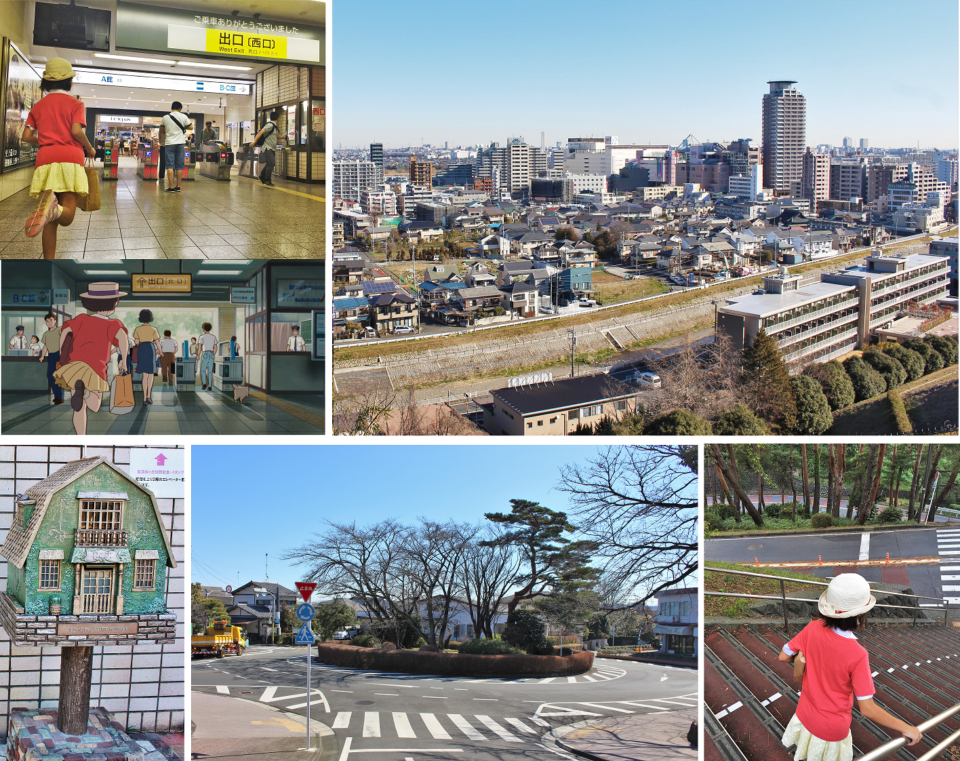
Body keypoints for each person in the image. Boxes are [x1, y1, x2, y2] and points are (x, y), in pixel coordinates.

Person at [779, 574, 922, 761]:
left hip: (805, 713)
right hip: (832, 729)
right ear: (861, 614)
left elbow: (783, 656)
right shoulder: (858, 655)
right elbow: (867, 709)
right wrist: (907, 728)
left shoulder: (812, 628)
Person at [20, 58, 96, 259]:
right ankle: (54, 209)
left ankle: (48, 264)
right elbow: (76, 131)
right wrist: (89, 148)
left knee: (48, 218)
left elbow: (26, 136)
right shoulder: (76, 104)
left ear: (46, 83)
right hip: (70, 158)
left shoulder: (38, 107)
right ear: (69, 81)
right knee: (66, 214)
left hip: (45, 160)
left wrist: (45, 140)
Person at [53, 282, 130, 436]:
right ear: (113, 304)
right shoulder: (113, 324)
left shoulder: (81, 319)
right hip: (96, 367)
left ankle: (81, 437)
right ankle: (86, 394)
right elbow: (123, 339)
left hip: (75, 365)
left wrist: (62, 352)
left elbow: (65, 331)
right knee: (95, 405)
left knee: (78, 408)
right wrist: (123, 359)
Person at [158, 101, 189, 192]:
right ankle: (178, 186)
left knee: (170, 165)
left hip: (169, 143)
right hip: (180, 143)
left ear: (171, 108)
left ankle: (171, 187)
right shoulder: (183, 116)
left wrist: (169, 132)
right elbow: (190, 127)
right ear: (180, 108)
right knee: (179, 165)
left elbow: (161, 130)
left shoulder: (165, 117)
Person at [133, 309, 160, 405]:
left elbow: (136, 342)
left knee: (144, 375)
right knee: (151, 374)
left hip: (142, 349)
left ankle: (144, 398)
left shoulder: (137, 329)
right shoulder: (154, 329)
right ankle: (149, 396)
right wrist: (160, 351)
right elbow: (157, 342)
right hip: (150, 348)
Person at [38, 312, 63, 404]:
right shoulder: (46, 334)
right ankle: (56, 395)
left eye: (51, 320)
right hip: (51, 356)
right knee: (50, 376)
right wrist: (42, 356)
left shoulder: (60, 330)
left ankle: (60, 397)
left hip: (59, 355)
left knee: (58, 377)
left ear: (55, 321)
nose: (49, 323)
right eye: (47, 321)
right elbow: (45, 347)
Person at [251, 110, 280, 186]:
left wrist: (284, 137)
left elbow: (275, 136)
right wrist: (254, 142)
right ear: (278, 118)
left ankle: (262, 176)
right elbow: (260, 133)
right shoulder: (270, 125)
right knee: (272, 163)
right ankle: (267, 180)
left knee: (269, 163)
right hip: (267, 148)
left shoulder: (275, 126)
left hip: (272, 148)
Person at [197, 323, 218, 391]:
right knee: (210, 371)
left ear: (204, 329)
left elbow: (199, 347)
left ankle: (204, 384)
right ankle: (209, 386)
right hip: (211, 354)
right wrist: (213, 354)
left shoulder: (202, 337)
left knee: (203, 370)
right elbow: (215, 347)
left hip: (205, 354)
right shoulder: (213, 337)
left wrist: (198, 355)